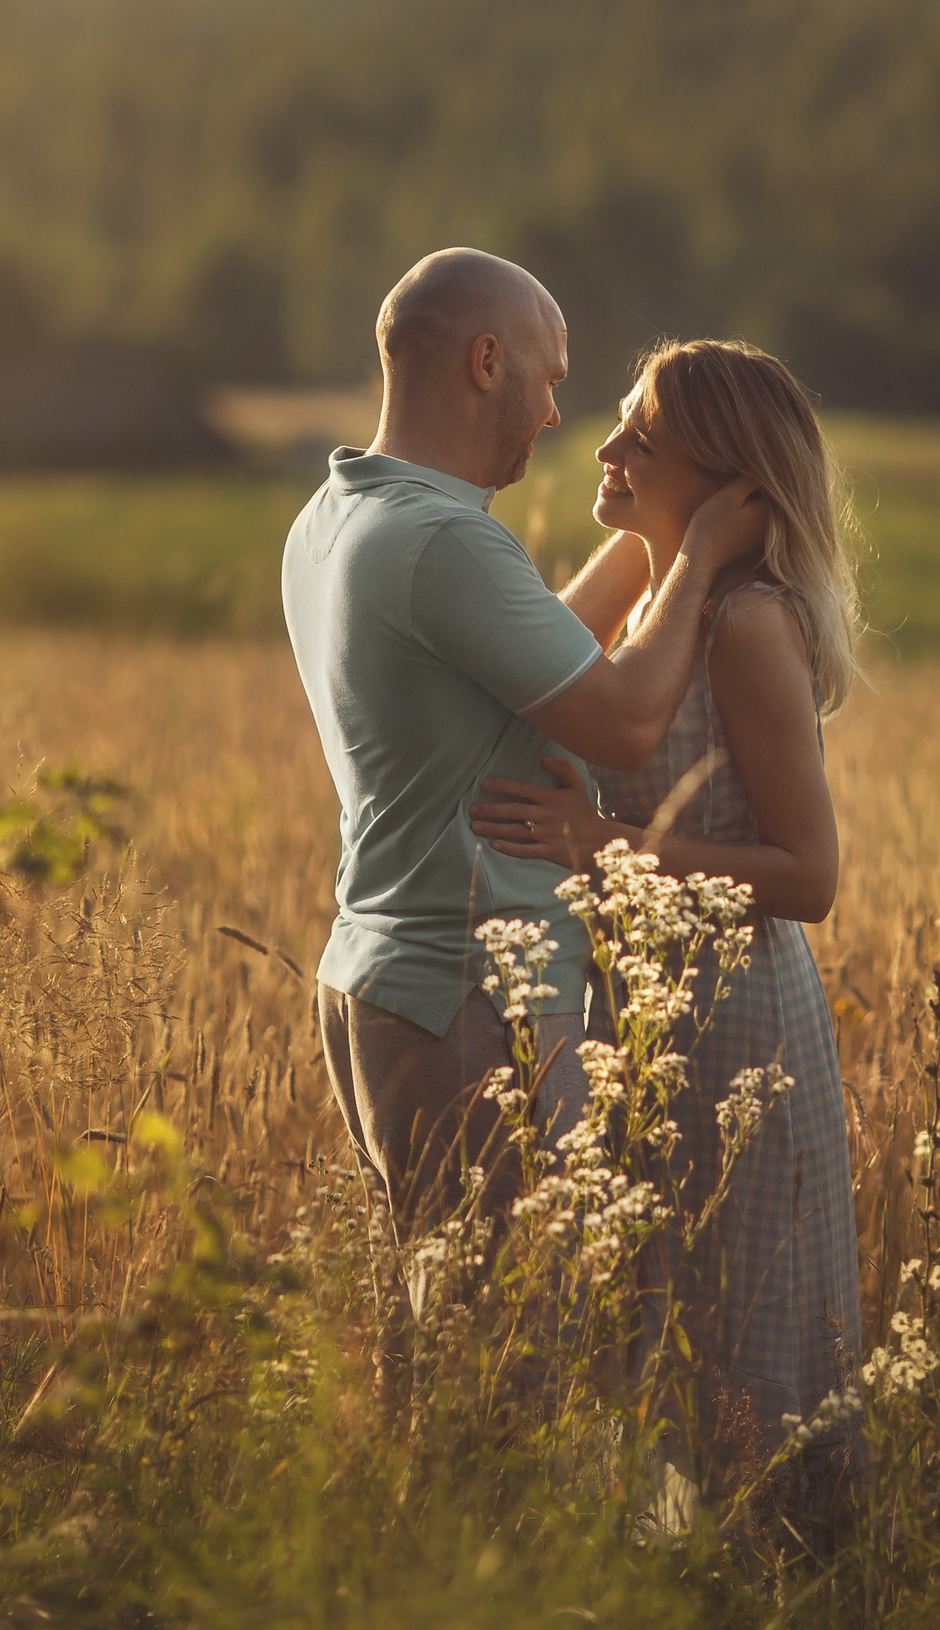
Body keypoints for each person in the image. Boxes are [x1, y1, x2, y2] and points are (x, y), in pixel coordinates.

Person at [281, 251, 766, 1258]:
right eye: (549, 377)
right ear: (486, 361)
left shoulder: (338, 515)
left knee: (436, 1338)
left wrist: (657, 532)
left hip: (380, 978)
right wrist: (704, 551)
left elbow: (546, 646)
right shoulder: (444, 541)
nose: (555, 413)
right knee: (507, 1359)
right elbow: (627, 719)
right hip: (466, 999)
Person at [467, 338, 864, 1491]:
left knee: (741, 1335)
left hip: (736, 1022)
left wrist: (607, 852)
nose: (603, 448)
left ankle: (784, 1572)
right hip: (642, 1014)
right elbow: (538, 663)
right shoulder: (670, 605)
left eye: (642, 436)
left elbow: (808, 875)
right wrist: (674, 545)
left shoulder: (742, 624)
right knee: (664, 1329)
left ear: (729, 478)